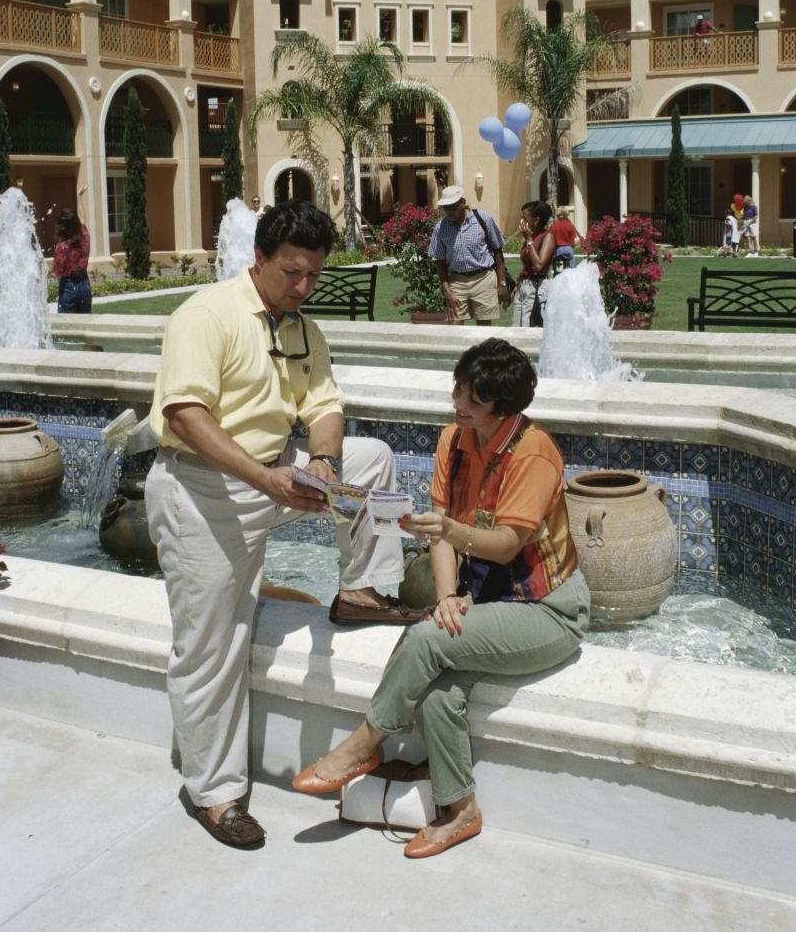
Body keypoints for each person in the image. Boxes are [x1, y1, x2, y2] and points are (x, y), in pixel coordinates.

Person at [145, 200, 422, 849]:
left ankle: (360, 591)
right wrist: (266, 478)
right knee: (212, 646)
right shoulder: (206, 315)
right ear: (261, 259)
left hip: (277, 474)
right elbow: (186, 414)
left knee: (370, 460)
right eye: (291, 272)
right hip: (203, 489)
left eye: (313, 276)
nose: (302, 286)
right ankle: (216, 796)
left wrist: (322, 464)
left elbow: (325, 405)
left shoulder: (303, 330)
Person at [292, 338, 589, 859]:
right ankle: (460, 810)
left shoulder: (534, 453)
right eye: (457, 388)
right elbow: (440, 535)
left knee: (425, 639)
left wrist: (450, 530)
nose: (458, 403)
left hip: (548, 612)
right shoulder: (455, 440)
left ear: (501, 407)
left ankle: (364, 744)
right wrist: (448, 594)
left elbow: (504, 546)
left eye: (472, 399)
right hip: (490, 602)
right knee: (436, 688)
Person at [428, 185, 510, 326]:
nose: (449, 211)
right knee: (454, 326)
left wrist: (502, 283)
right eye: (445, 208)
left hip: (483, 278)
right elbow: (440, 262)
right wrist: (447, 291)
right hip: (457, 281)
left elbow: (498, 252)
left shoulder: (483, 218)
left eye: (452, 207)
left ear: (463, 203)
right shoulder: (440, 228)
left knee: (483, 329)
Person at [512, 201, 555, 326]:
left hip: (537, 288)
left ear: (536, 220)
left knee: (533, 327)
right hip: (524, 287)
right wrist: (518, 283)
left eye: (524, 218)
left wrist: (529, 241)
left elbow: (539, 265)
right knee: (518, 326)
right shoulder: (529, 237)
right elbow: (527, 265)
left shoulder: (547, 237)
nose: (521, 221)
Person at [51, 208, 92, 313]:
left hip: (69, 286)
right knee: (85, 324)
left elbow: (57, 271)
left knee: (67, 324)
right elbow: (83, 219)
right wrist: (79, 197)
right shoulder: (85, 235)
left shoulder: (62, 247)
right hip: (85, 284)